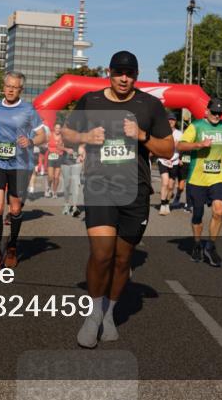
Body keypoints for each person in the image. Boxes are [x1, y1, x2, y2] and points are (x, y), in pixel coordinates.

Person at [62, 51, 174, 348]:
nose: (124, 78)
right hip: (99, 186)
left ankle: (109, 312)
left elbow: (168, 149)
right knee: (102, 254)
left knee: (123, 259)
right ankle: (93, 314)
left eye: (130, 73)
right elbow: (66, 134)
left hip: (135, 190)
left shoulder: (150, 105)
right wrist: (87, 138)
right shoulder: (91, 101)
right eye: (119, 73)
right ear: (109, 73)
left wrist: (142, 136)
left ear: (136, 76)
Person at [0, 71, 47, 269]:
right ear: (3, 86)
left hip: (20, 164)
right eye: (8, 86)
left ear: (21, 90)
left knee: (16, 209)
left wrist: (30, 141)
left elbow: (43, 136)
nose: (10, 90)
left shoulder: (28, 110)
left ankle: (11, 247)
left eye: (15, 87)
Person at [176, 98, 222, 266]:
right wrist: (200, 144)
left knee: (219, 211)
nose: (216, 115)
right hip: (197, 177)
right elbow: (180, 146)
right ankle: (196, 244)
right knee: (198, 214)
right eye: (214, 112)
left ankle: (211, 246)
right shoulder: (196, 126)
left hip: (217, 177)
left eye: (219, 113)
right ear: (206, 111)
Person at [157, 112, 183, 216]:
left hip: (174, 162)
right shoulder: (160, 132)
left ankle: (167, 203)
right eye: (169, 120)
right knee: (165, 182)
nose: (171, 121)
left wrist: (180, 154)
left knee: (171, 186)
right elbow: (157, 146)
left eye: (172, 120)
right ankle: (162, 205)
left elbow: (183, 147)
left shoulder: (179, 134)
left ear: (175, 122)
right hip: (163, 160)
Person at [45, 122, 66, 198]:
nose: (58, 129)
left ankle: (54, 192)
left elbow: (65, 146)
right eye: (56, 128)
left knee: (56, 177)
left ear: (61, 129)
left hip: (59, 157)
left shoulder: (63, 137)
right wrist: (48, 148)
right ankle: (48, 188)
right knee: (50, 176)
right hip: (51, 157)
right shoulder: (50, 135)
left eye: (59, 128)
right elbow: (45, 143)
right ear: (54, 128)